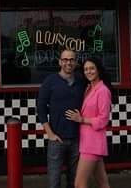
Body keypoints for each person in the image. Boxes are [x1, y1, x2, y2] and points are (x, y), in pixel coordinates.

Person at [37, 49, 85, 188]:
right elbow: (40, 107)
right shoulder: (50, 81)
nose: (68, 63)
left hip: (77, 138)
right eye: (65, 60)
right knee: (54, 181)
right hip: (57, 139)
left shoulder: (81, 81)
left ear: (76, 62)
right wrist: (50, 133)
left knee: (74, 181)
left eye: (71, 60)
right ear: (60, 62)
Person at [65, 58, 113, 188]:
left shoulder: (103, 91)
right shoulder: (89, 88)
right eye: (86, 69)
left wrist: (82, 119)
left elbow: (103, 119)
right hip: (87, 141)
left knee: (79, 184)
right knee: (103, 183)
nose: (88, 71)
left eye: (92, 68)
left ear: (98, 70)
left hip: (93, 144)